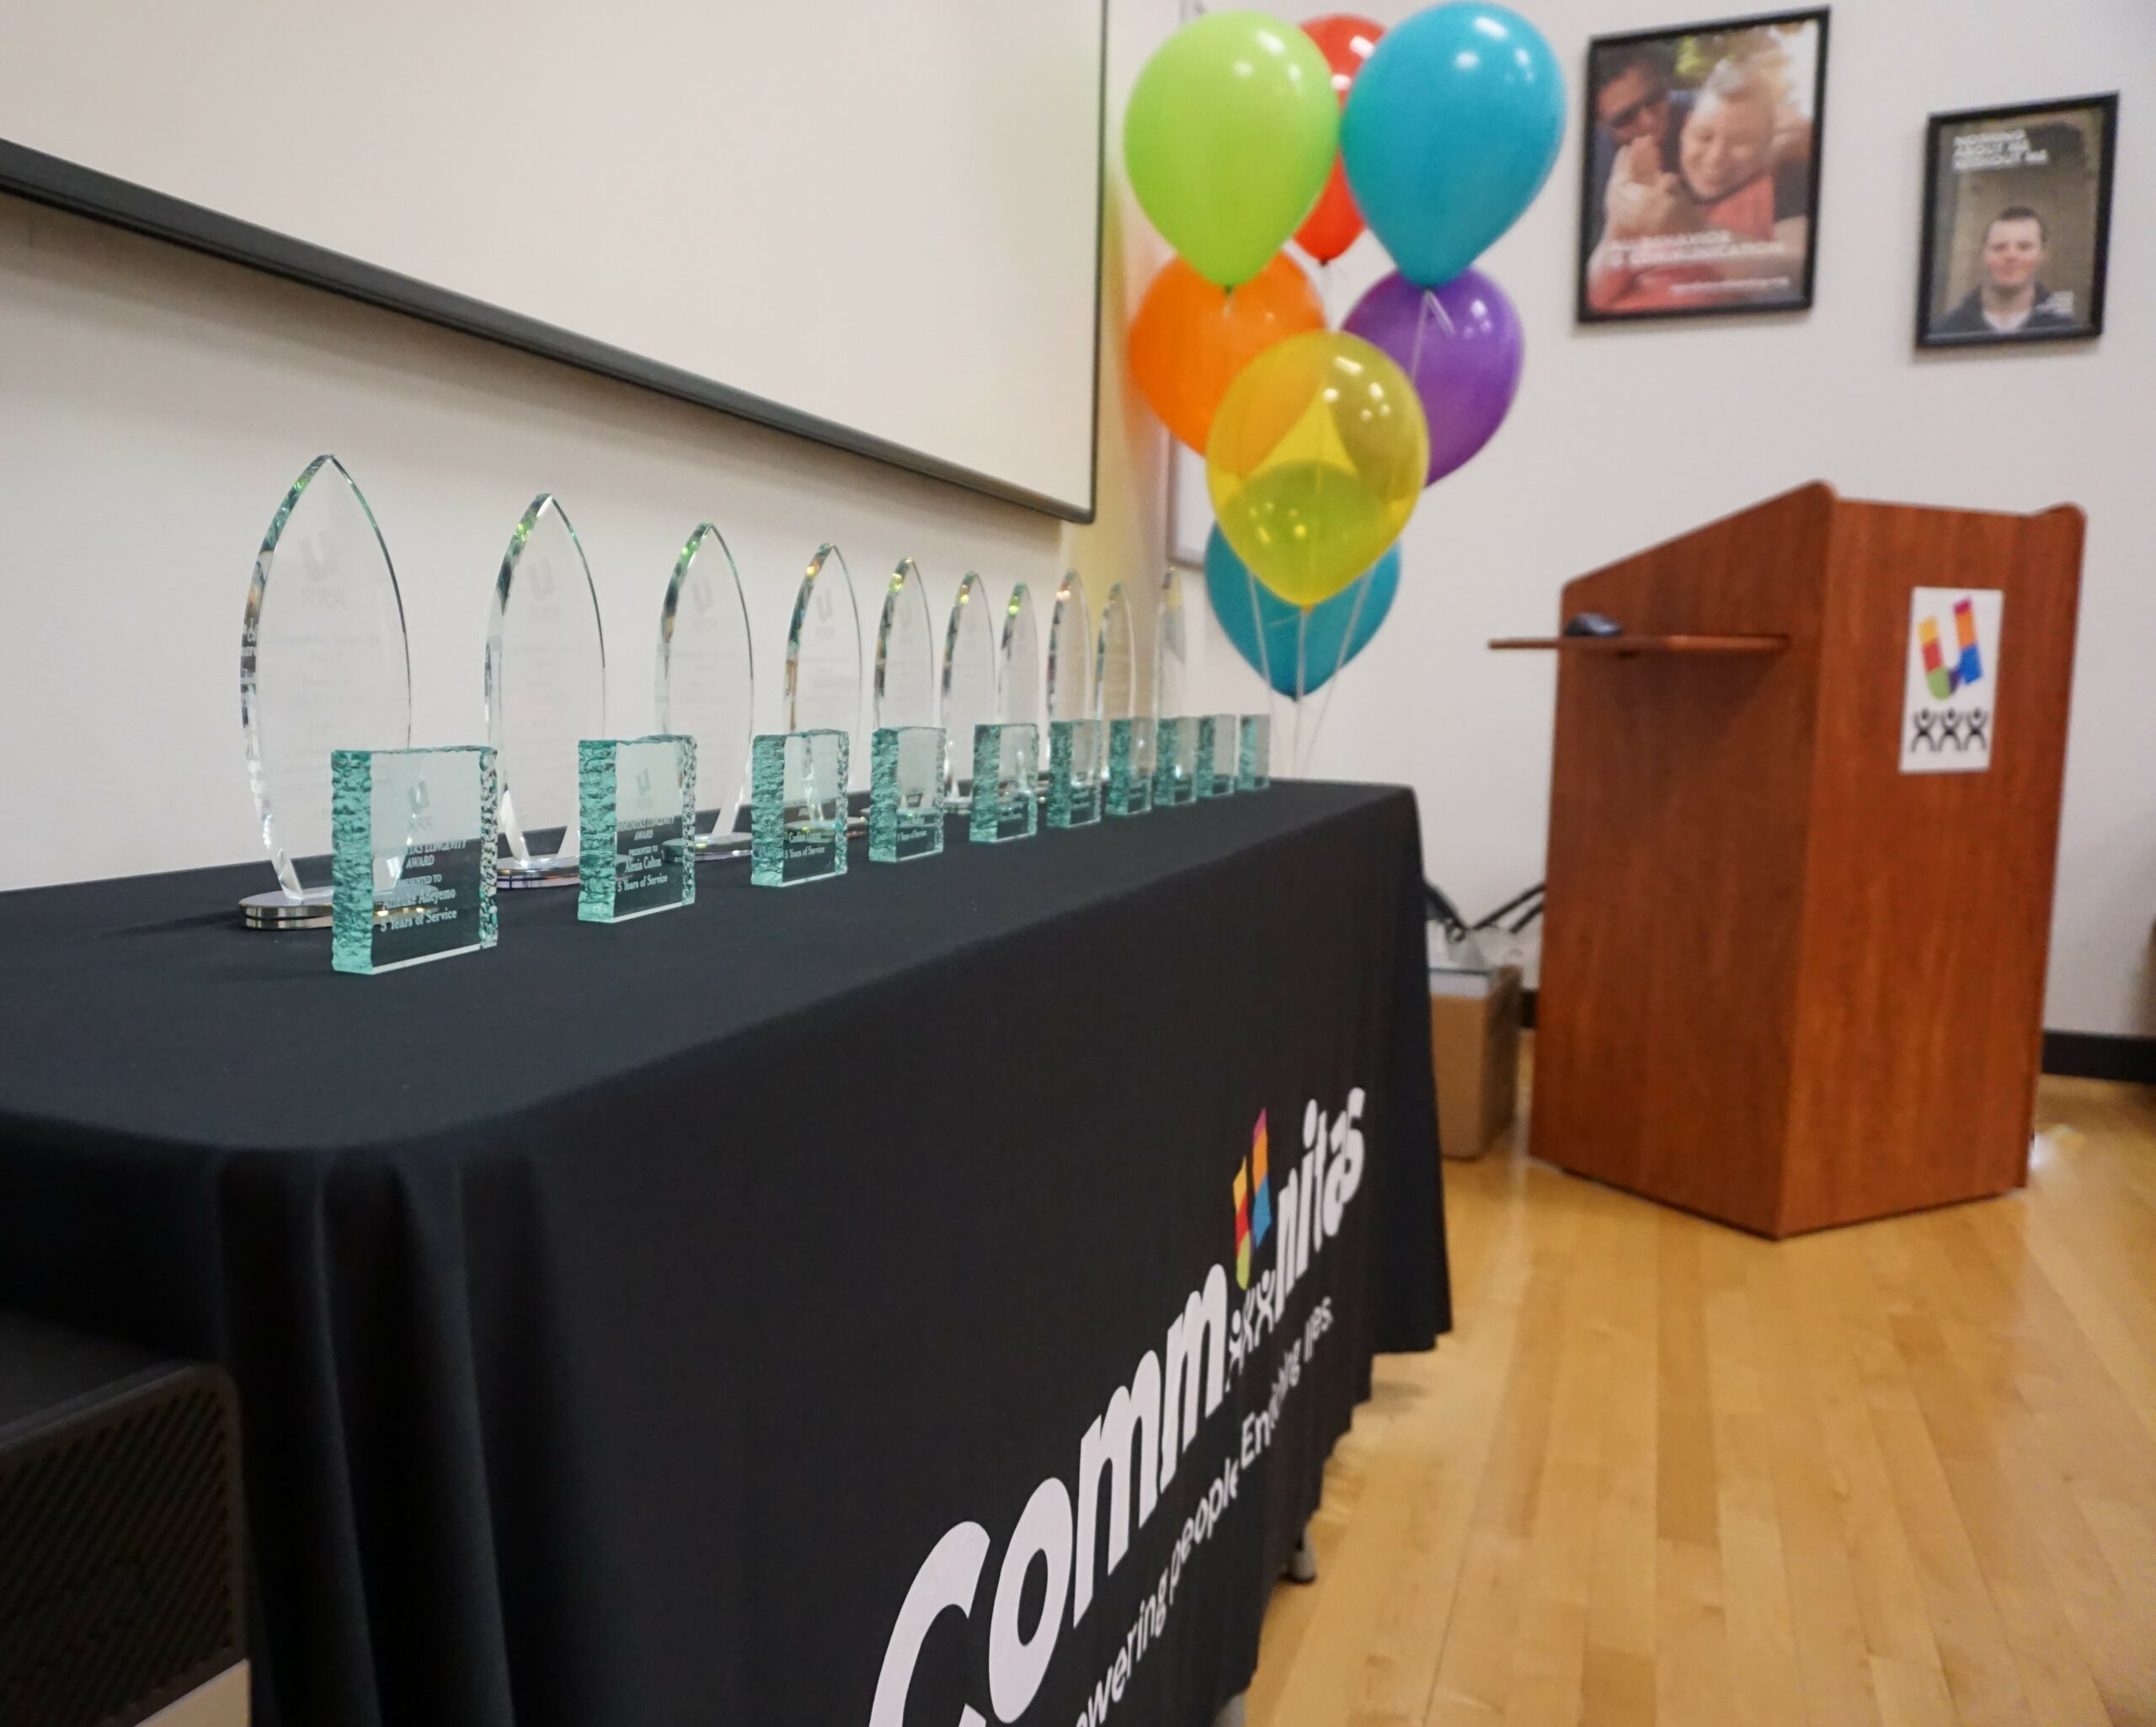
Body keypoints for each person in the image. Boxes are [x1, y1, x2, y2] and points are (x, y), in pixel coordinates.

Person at [1584, 52, 1812, 314]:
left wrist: (1694, 230)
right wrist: (1618, 227)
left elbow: (1797, 276)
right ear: (1687, 129)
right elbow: (1591, 296)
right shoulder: (1609, 167)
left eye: (1655, 98)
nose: (1716, 157)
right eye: (1625, 117)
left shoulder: (1775, 178)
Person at [1930, 207, 2080, 336]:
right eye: (1999, 247)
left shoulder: (2067, 331)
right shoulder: (1944, 331)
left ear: (2043, 254)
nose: (2011, 256)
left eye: (2024, 247)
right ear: (1982, 254)